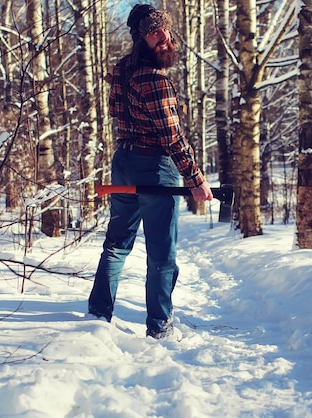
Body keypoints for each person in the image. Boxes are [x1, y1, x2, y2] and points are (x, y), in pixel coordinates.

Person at [88, 4, 213, 340]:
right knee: (161, 252)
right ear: (139, 37)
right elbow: (172, 136)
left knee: (117, 244)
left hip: (124, 163)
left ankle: (98, 314)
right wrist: (196, 179)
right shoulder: (154, 80)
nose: (164, 38)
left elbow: (116, 110)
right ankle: (160, 326)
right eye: (155, 32)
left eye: (166, 31)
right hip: (154, 168)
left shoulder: (122, 71)